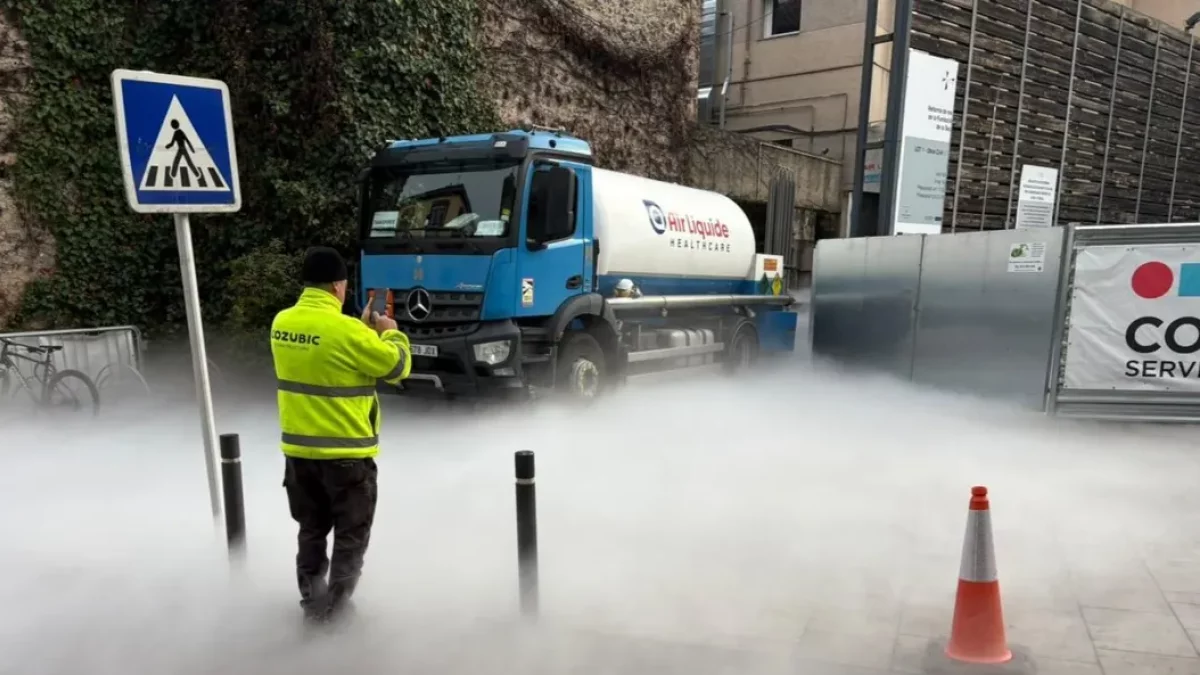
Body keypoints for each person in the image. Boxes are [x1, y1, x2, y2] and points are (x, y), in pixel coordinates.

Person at [270, 246, 412, 623]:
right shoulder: (347, 332)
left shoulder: (281, 323)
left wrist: (360, 329)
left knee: (311, 531)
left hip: (299, 456)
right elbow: (396, 367)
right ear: (337, 286)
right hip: (346, 458)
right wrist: (392, 334)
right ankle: (337, 612)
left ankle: (312, 603)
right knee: (351, 538)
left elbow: (328, 349)